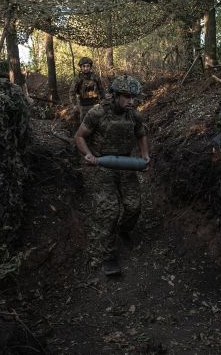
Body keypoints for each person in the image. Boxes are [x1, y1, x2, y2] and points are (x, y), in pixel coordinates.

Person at [74, 75, 150, 276]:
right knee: (109, 212)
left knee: (134, 206)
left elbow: (141, 134)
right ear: (115, 95)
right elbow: (79, 136)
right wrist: (88, 154)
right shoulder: (97, 113)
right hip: (103, 166)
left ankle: (124, 230)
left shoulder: (134, 115)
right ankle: (109, 255)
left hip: (126, 165)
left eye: (133, 97)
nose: (131, 101)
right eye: (126, 97)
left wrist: (145, 155)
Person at [69, 57, 105, 124]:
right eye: (84, 66)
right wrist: (74, 105)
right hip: (83, 106)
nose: (86, 68)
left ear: (90, 66)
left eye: (88, 66)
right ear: (81, 67)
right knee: (84, 124)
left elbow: (101, 89)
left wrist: (103, 100)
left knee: (97, 123)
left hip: (95, 104)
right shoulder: (78, 78)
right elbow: (72, 92)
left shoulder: (95, 77)